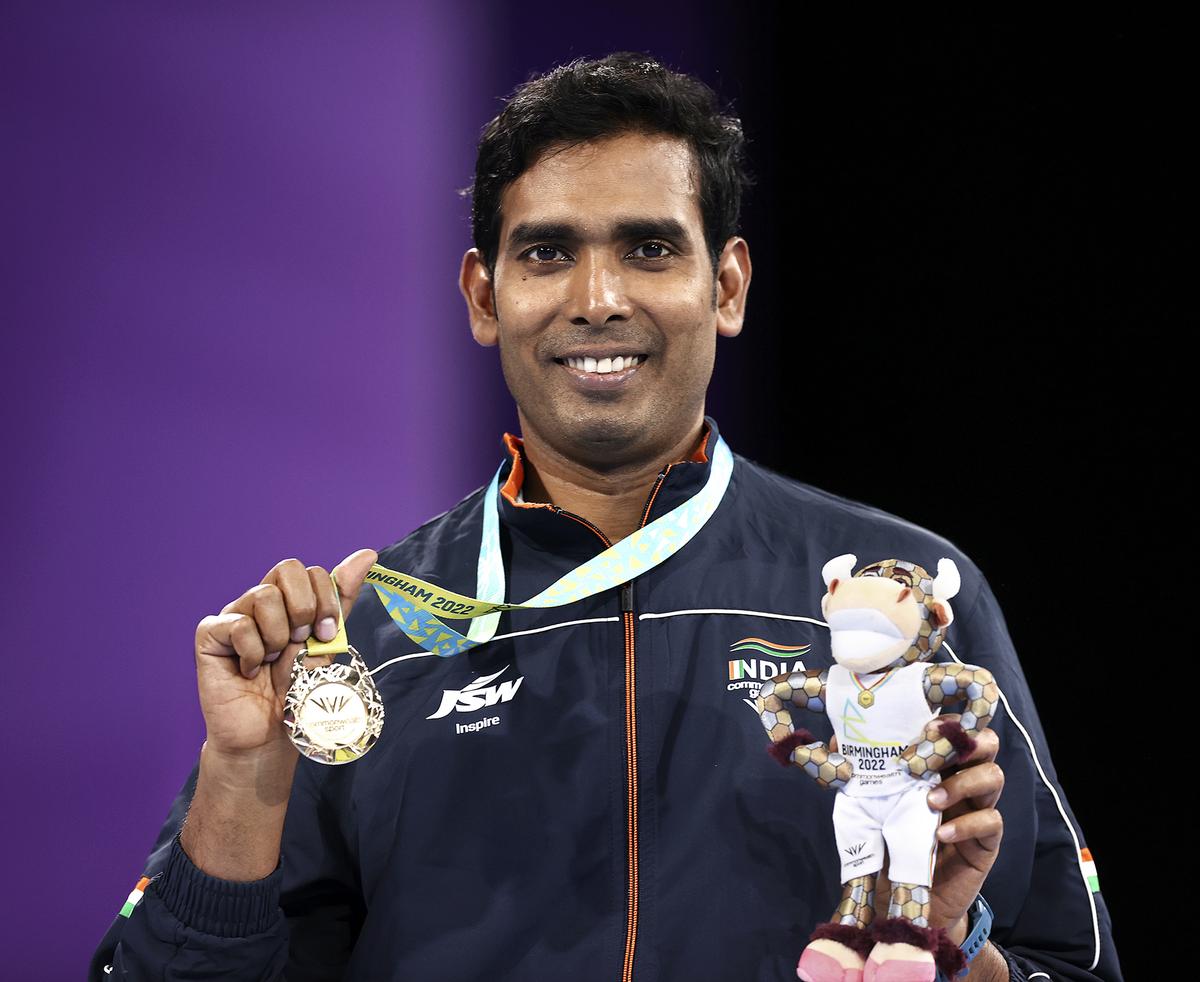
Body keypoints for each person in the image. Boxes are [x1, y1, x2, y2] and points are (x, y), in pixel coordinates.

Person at [92, 53, 1121, 981]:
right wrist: (243, 778)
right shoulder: (362, 644)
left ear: (726, 284)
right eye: (546, 254)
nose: (597, 297)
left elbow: (1066, 968)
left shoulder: (904, 597)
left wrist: (949, 942)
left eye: (648, 249)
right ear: (484, 297)